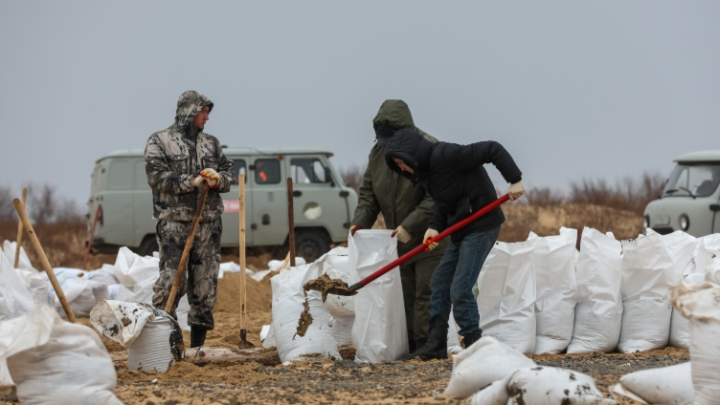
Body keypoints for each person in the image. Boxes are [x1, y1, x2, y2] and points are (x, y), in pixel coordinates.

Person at [384, 128, 525, 360]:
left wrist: (515, 179)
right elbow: (447, 205)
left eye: (401, 162)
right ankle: (437, 344)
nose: (401, 168)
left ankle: (475, 347)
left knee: (460, 289)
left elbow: (492, 149)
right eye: (397, 164)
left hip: (482, 225)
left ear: (411, 154)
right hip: (462, 230)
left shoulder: (445, 155)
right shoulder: (427, 174)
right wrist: (434, 226)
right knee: (439, 283)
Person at [349, 100, 448, 353]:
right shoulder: (377, 154)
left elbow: (435, 196)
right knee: (405, 293)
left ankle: (429, 346)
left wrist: (410, 224)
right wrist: (360, 222)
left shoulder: (429, 150)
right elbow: (370, 192)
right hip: (399, 239)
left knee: (426, 290)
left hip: (431, 236)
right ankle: (411, 345)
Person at [145, 90, 233, 348]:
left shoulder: (212, 144)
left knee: (205, 289)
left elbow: (228, 170)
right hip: (175, 225)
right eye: (203, 111)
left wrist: (218, 179)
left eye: (208, 112)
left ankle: (197, 349)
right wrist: (193, 181)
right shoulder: (160, 141)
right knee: (171, 284)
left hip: (208, 225)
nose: (207, 117)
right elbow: (156, 177)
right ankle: (166, 346)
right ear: (190, 112)